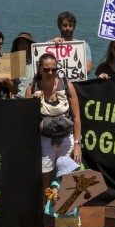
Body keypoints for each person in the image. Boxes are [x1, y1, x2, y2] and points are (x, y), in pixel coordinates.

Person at [31, 53, 84, 196]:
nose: (50, 73)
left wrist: (77, 145)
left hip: (67, 139)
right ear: (39, 69)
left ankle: (67, 214)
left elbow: (76, 118)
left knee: (68, 179)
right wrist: (32, 101)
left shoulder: (67, 85)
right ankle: (44, 213)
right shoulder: (32, 88)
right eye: (46, 69)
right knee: (44, 180)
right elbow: (27, 121)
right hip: (45, 140)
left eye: (54, 69)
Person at [44, 156, 88, 227]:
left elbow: (80, 198)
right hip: (61, 215)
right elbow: (51, 193)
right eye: (71, 171)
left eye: (74, 170)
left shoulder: (77, 183)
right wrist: (54, 196)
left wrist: (81, 203)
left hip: (74, 214)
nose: (74, 172)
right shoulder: (57, 184)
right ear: (64, 173)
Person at [53, 11, 92, 76]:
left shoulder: (84, 46)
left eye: (70, 25)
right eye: (65, 25)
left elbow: (88, 69)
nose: (68, 28)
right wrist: (52, 43)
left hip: (77, 84)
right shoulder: (50, 44)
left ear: (74, 27)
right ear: (59, 26)